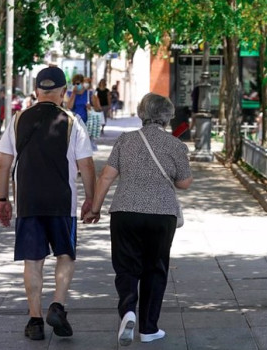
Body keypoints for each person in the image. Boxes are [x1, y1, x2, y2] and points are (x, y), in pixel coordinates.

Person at [0, 66, 96, 341]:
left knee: (33, 260)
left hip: (28, 202)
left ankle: (35, 320)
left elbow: (3, 166)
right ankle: (58, 305)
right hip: (62, 202)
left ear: (37, 91)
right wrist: (92, 200)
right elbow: (86, 165)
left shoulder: (18, 120)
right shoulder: (72, 121)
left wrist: (3, 199)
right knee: (65, 254)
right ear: (64, 92)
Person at [84, 93, 193, 346]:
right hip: (161, 215)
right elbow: (184, 183)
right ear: (167, 116)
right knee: (155, 269)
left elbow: (106, 177)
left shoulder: (125, 140)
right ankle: (149, 328)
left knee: (126, 267)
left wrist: (95, 208)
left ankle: (128, 311)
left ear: (141, 113)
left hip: (125, 212)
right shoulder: (176, 145)